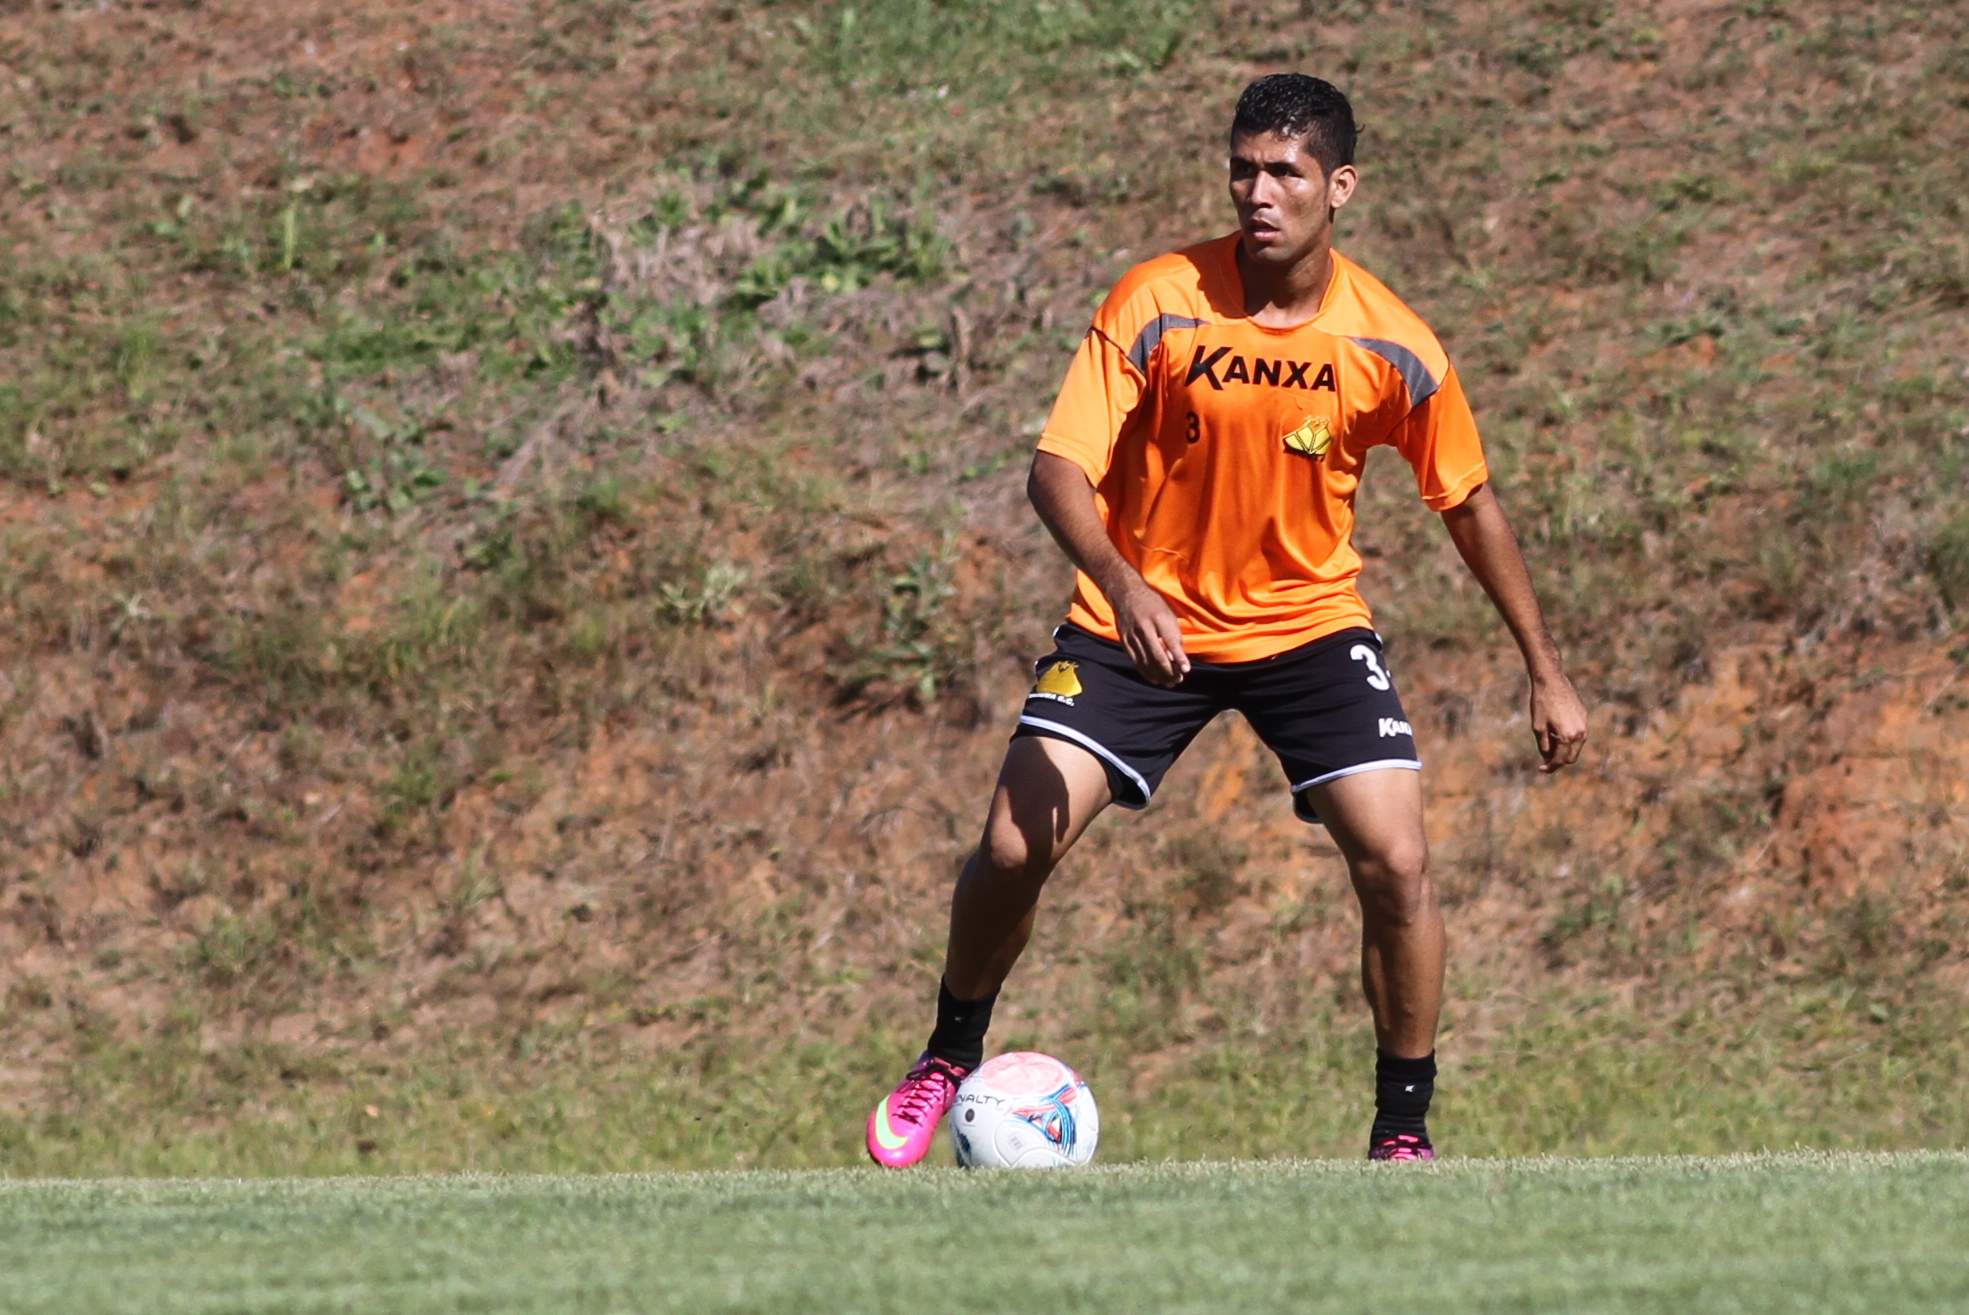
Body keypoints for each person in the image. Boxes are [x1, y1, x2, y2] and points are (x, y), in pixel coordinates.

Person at [865, 73, 1587, 1167]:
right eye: (1243, 168)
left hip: (1306, 625)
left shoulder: (1391, 342)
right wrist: (1123, 580)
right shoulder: (1157, 299)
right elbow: (1057, 470)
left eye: (1286, 172)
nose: (1259, 191)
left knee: (1396, 862)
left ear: (1338, 187)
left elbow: (1470, 504)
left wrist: (1545, 667)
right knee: (1013, 845)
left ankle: (1402, 1132)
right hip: (1136, 621)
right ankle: (945, 1055)